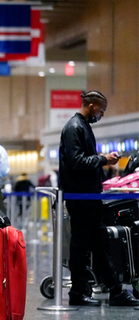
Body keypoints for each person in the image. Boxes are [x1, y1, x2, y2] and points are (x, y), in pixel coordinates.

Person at [59, 90, 139, 307]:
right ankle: (97, 291)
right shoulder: (74, 128)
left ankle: (110, 290)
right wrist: (103, 159)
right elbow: (77, 161)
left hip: (88, 197)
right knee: (83, 245)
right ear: (92, 106)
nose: (102, 115)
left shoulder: (82, 127)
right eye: (101, 111)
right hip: (81, 198)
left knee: (95, 244)